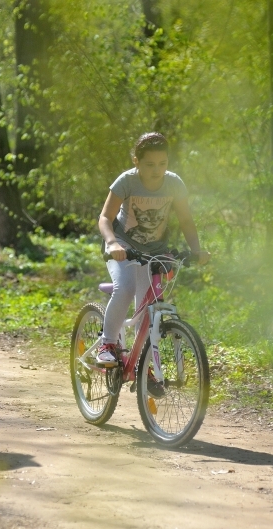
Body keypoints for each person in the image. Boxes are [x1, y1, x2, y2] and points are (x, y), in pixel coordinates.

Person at [97, 132, 210, 367]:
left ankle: (141, 364)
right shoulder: (127, 182)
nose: (156, 170)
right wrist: (112, 244)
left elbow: (186, 221)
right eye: (149, 164)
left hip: (154, 249)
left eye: (162, 163)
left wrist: (196, 250)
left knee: (149, 307)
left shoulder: (174, 184)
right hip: (124, 245)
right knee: (125, 288)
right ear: (136, 161)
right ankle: (107, 344)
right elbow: (105, 218)